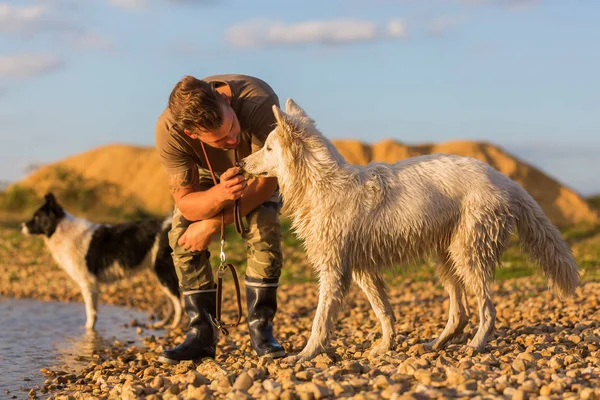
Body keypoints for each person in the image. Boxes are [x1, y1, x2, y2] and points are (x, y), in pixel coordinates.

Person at [155, 74, 286, 364]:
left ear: (226, 101)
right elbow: (187, 204)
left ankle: (261, 331)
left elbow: (266, 183)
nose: (231, 139)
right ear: (191, 134)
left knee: (264, 228)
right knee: (181, 238)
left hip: (262, 170)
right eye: (220, 139)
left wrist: (213, 223)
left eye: (231, 127)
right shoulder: (170, 131)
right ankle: (201, 335)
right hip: (207, 176)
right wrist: (219, 194)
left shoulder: (259, 101)